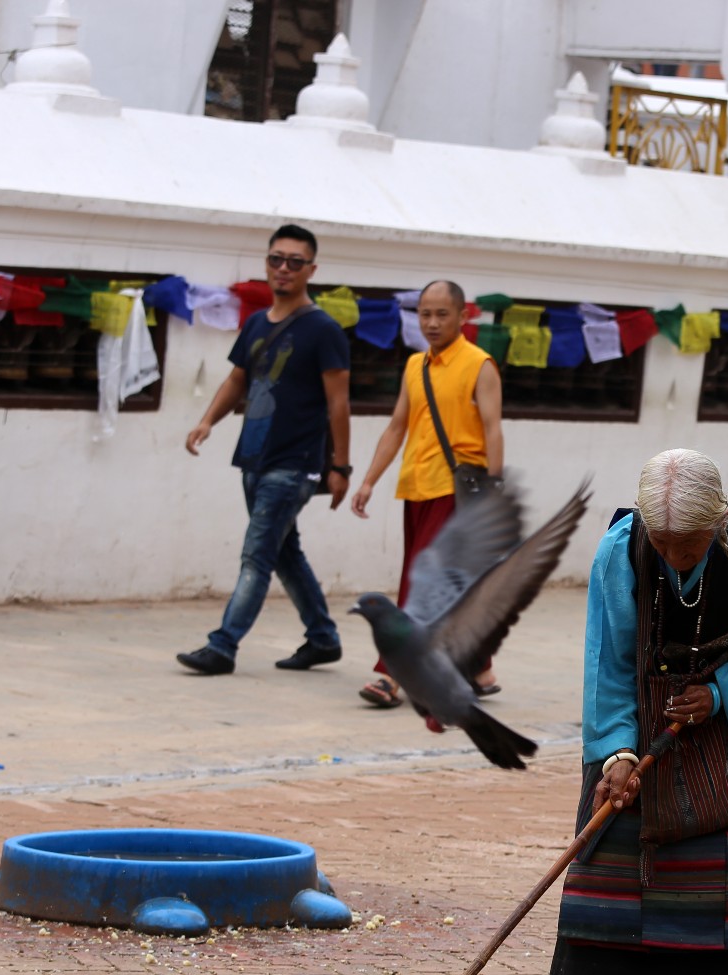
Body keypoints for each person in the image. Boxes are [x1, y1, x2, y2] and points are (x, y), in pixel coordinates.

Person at [549, 449, 728, 975]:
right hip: (638, 711)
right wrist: (616, 755)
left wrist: (717, 696)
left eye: (686, 544)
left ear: (713, 524)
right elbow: (606, 659)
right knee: (615, 845)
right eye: (662, 542)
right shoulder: (620, 550)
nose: (673, 555)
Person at [176, 224, 352, 676]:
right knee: (284, 551)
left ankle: (223, 646)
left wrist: (341, 466)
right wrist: (207, 421)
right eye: (277, 259)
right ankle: (323, 638)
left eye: (295, 261)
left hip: (294, 464)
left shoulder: (323, 330)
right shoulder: (256, 322)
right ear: (267, 263)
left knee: (257, 554)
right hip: (253, 456)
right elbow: (237, 378)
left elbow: (338, 403)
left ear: (311, 269)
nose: (284, 268)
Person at [349, 281, 504, 706]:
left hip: (456, 491)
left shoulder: (479, 365)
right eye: (425, 314)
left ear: (462, 316)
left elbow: (493, 429)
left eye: (442, 314)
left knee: (420, 584)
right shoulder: (415, 365)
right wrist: (368, 480)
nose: (432, 323)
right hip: (417, 486)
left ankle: (391, 676)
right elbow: (398, 425)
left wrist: (492, 495)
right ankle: (479, 666)